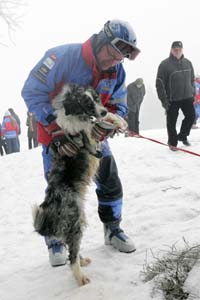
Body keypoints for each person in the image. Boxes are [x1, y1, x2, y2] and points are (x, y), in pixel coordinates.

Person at [21, 19, 140, 266]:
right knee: (61, 189)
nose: (114, 61)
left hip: (92, 137)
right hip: (57, 136)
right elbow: (32, 91)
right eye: (112, 53)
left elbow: (119, 103)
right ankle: (56, 241)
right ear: (101, 40)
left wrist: (109, 125)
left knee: (109, 180)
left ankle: (112, 228)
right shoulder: (62, 57)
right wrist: (55, 129)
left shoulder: (117, 71)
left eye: (121, 58)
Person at [156, 41, 195, 151]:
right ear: (171, 50)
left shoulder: (188, 63)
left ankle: (182, 135)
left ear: (182, 50)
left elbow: (192, 79)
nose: (177, 51)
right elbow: (159, 84)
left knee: (191, 116)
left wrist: (192, 92)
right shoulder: (164, 65)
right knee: (171, 122)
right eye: (175, 49)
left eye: (179, 49)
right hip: (172, 99)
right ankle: (172, 143)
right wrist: (164, 101)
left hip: (187, 97)